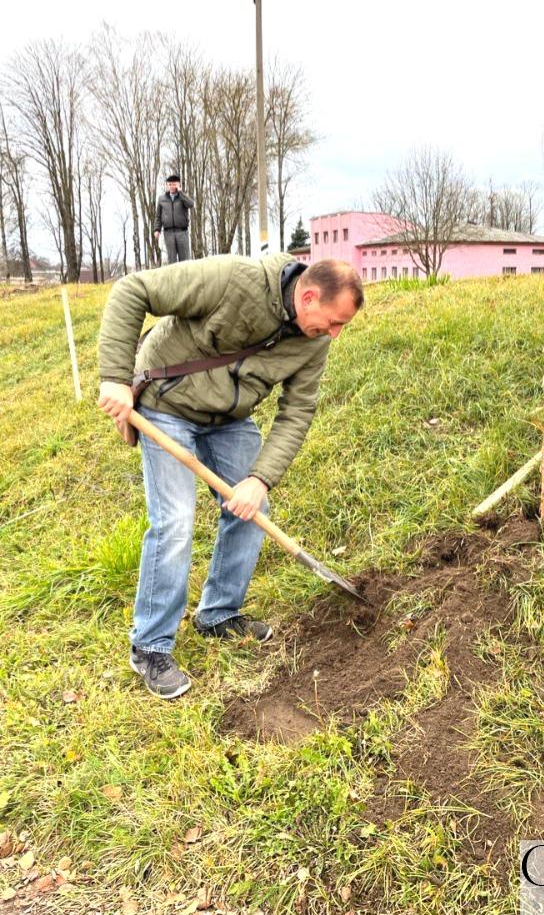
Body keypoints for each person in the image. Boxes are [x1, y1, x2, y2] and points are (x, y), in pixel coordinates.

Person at [97, 254, 364, 699]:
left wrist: (259, 479)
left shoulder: (315, 342)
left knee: (252, 505)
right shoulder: (235, 280)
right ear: (310, 296)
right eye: (333, 322)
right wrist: (114, 378)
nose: (334, 335)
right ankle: (150, 646)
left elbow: (297, 411)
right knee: (176, 524)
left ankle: (218, 613)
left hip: (229, 419)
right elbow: (133, 290)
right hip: (167, 406)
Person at [155, 174, 195, 264]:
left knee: (185, 260)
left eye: (174, 184)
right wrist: (157, 229)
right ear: (167, 186)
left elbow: (191, 204)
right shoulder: (161, 199)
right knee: (172, 260)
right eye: (170, 184)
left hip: (182, 232)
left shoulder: (183, 197)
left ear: (178, 185)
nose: (172, 187)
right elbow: (158, 216)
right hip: (168, 233)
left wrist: (181, 193)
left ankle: (185, 278)